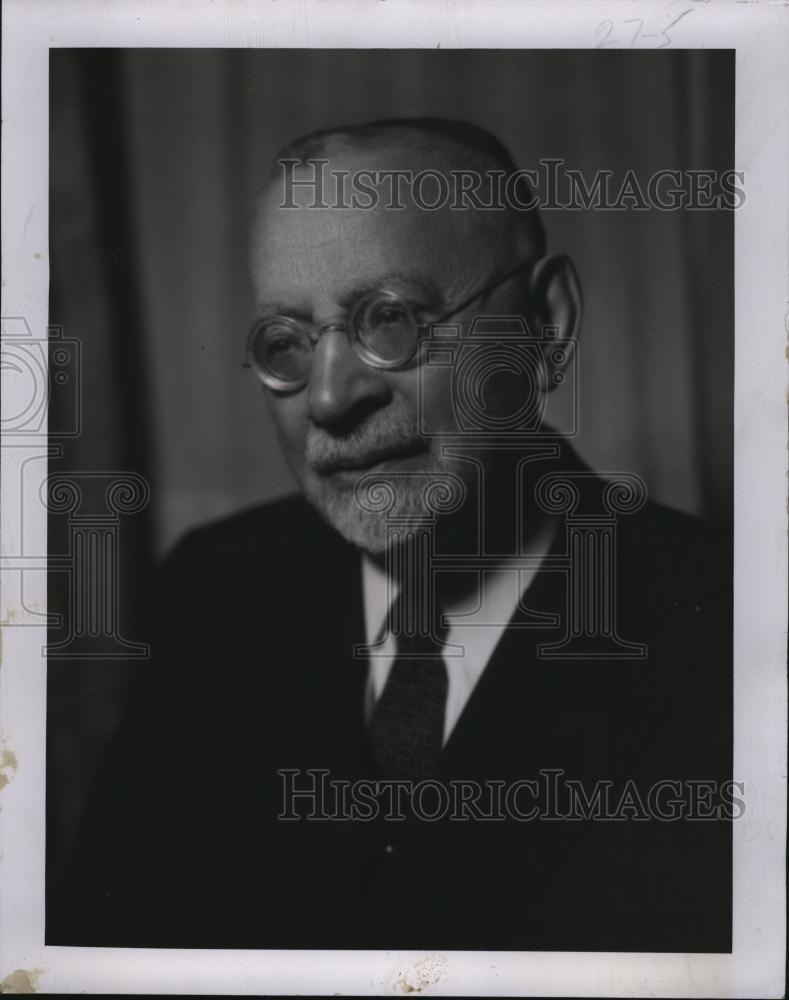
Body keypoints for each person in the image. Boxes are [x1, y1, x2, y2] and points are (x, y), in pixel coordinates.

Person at [48, 118, 732, 952]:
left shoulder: (730, 633)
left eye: (390, 320)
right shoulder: (215, 591)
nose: (330, 400)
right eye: (285, 343)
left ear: (544, 327)